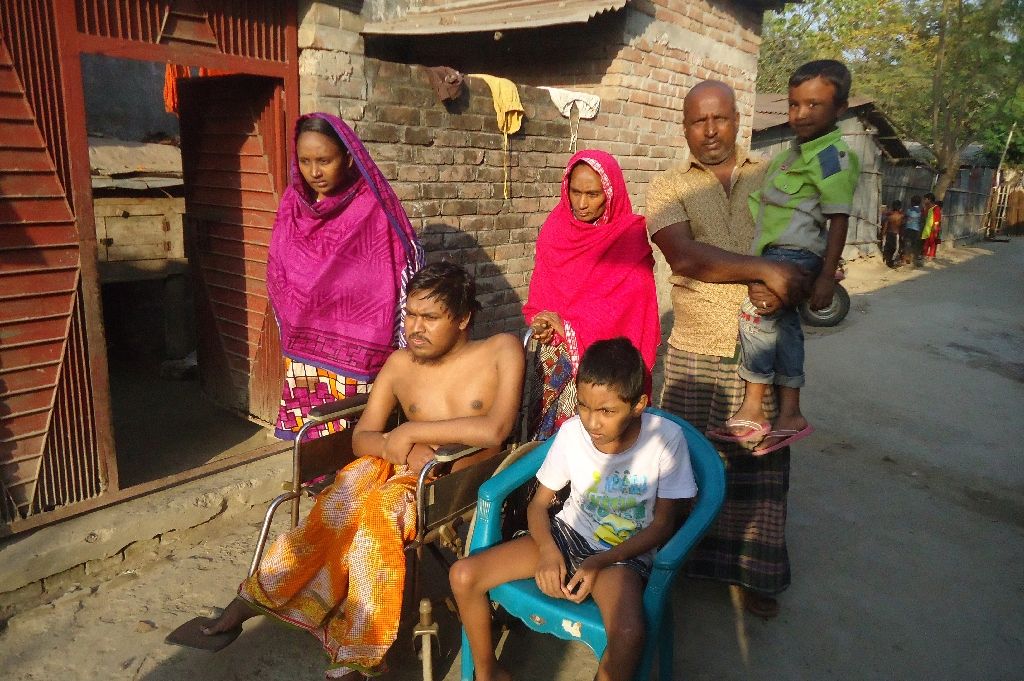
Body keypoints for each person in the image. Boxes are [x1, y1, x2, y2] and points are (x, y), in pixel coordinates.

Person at [196, 263, 525, 679]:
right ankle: (261, 594)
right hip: (401, 465)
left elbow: (497, 428)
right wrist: (396, 444)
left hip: (453, 481)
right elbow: (362, 438)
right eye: (410, 315)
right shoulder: (401, 364)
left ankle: (361, 649)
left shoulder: (500, 350)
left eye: (430, 318)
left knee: (377, 519)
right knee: (341, 497)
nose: (415, 328)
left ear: (462, 319)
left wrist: (411, 430)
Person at [645, 79, 808, 617]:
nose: (710, 130)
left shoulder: (775, 175)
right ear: (685, 126)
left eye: (720, 118)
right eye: (698, 121)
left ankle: (755, 572)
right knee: (683, 467)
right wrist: (765, 269)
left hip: (759, 351)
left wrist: (793, 276)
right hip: (695, 348)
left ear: (739, 120)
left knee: (760, 474)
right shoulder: (667, 186)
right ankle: (677, 564)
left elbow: (802, 242)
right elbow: (685, 256)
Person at [450, 338, 697, 681]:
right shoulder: (571, 433)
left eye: (607, 412)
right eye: (584, 406)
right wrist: (549, 551)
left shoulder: (665, 440)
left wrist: (599, 561)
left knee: (628, 634)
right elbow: (539, 505)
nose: (593, 423)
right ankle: (489, 672)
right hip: (566, 536)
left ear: (639, 404)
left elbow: (662, 526)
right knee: (463, 575)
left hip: (623, 554)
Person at [715, 59, 860, 455]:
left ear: (840, 109)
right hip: (777, 252)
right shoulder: (788, 157)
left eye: (814, 105)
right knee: (786, 327)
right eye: (794, 105)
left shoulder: (831, 158)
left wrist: (826, 276)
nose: (800, 114)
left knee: (756, 312)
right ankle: (790, 413)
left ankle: (753, 407)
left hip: (796, 254)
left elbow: (838, 220)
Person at [267, 113, 423, 442]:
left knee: (352, 437)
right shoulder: (292, 205)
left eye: (324, 160)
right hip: (305, 346)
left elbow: (402, 265)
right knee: (311, 435)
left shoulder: (373, 206)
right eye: (305, 161)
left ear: (349, 157)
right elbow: (279, 263)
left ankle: (354, 489)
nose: (315, 172)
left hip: (362, 347)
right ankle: (319, 488)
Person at [522, 149, 660, 439]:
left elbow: (632, 303)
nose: (581, 204)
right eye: (575, 192)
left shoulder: (628, 237)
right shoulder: (555, 229)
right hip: (553, 356)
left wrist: (571, 326)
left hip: (601, 366)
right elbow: (543, 292)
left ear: (610, 194)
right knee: (542, 441)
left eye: (593, 195)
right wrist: (544, 324)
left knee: (591, 437)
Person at [881, 200, 905, 268]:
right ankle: (891, 262)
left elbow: (885, 227)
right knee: (895, 249)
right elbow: (902, 227)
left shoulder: (889, 216)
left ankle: (886, 260)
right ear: (900, 207)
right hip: (895, 234)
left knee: (888, 248)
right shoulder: (901, 216)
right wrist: (902, 236)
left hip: (888, 234)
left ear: (892, 207)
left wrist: (883, 234)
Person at [904, 195, 924, 266]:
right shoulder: (921, 211)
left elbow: (905, 218)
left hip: (909, 229)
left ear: (912, 202)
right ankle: (914, 258)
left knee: (907, 243)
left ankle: (907, 258)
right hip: (916, 230)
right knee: (914, 244)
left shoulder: (909, 210)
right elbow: (921, 221)